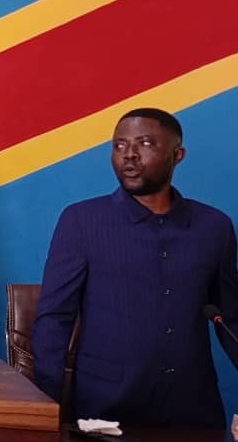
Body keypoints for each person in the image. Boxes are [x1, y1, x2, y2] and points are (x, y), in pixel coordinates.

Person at [32, 108, 238, 427]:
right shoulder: (82, 221)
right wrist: (47, 408)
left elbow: (231, 318)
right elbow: (54, 318)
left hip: (193, 407)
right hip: (106, 408)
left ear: (177, 155)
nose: (128, 154)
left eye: (144, 143)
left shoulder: (214, 227)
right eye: (119, 145)